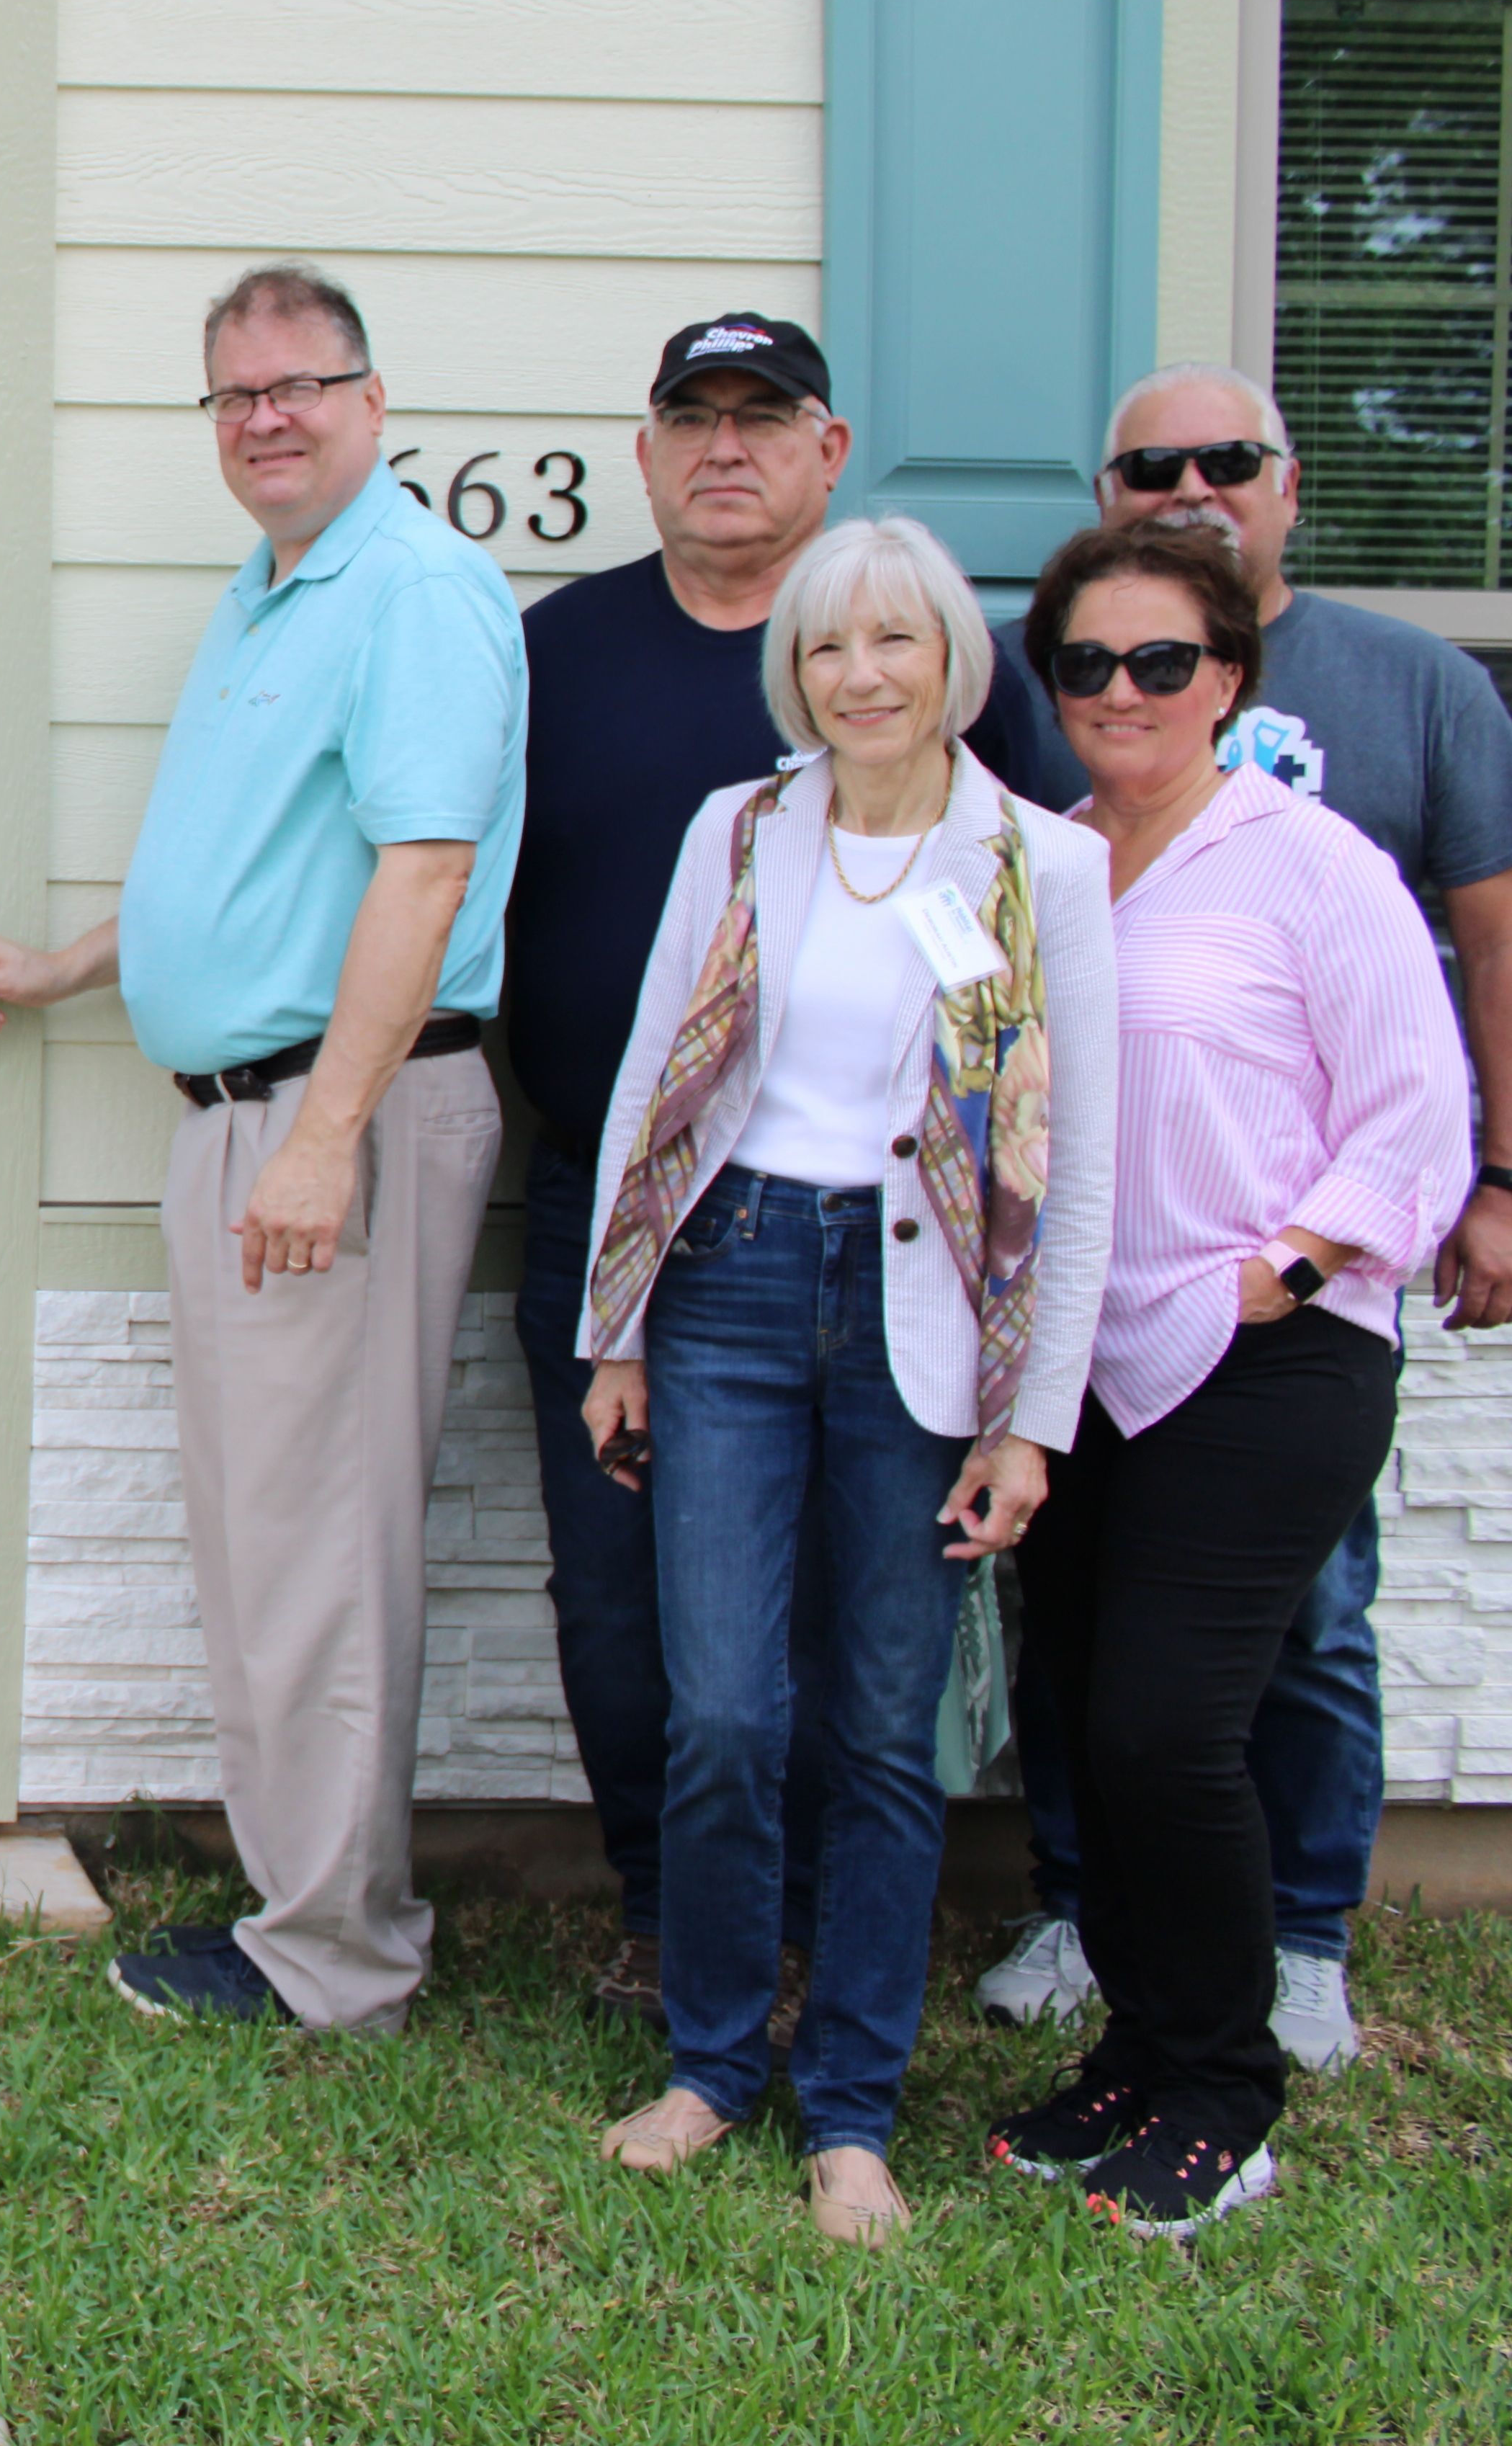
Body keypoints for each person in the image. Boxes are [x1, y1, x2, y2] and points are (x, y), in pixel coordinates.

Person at [0, 263, 522, 2029]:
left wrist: (325, 1137)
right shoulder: (266, 594)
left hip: (328, 1118)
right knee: (266, 1535)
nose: (266, 415)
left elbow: (423, 872)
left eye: (301, 383)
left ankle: (337, 1953)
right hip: (246, 1117)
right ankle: (302, 1899)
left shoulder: (413, 591)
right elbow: (239, 859)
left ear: (369, 396)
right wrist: (68, 964)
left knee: (321, 1546)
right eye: (234, 394)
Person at [506, 315, 1068, 2025]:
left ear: (831, 453)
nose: (727, 446)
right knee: (632, 1609)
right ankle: (674, 1919)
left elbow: (1035, 973)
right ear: (649, 449)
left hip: (894, 1240)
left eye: (767, 417)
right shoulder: (560, 652)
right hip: (629, 1209)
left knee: (859, 1622)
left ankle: (827, 1930)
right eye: (695, 417)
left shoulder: (960, 679)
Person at [573, 517, 1114, 2244]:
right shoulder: (737, 832)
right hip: (727, 1279)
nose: (859, 674)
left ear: (956, 657)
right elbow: (653, 1078)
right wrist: (619, 1325)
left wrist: (1035, 1413)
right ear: (790, 671)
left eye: (893, 641)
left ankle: (855, 2109)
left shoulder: (1045, 865)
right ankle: (714, 2061)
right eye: (824, 648)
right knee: (725, 1709)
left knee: (888, 1730)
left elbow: (1077, 1160)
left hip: (927, 1325)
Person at [971, 363, 1512, 2067]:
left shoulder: (1312, 857)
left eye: (1162, 662)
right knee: (1094, 1715)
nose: (1122, 690)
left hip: (1263, 1354)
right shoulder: (1047, 861)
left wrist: (1295, 1262)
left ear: (1230, 676)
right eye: (1086, 664)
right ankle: (1138, 2053)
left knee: (1170, 1729)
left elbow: (1414, 1104)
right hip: (1085, 1365)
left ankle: (1232, 2063)